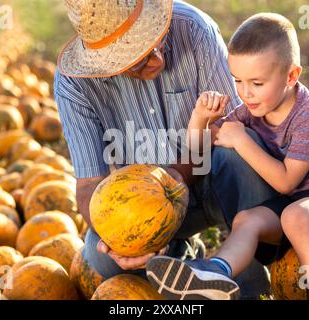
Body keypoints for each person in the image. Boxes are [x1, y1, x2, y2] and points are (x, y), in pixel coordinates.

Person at [55, 0, 277, 299]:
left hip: (213, 179)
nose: (156, 57)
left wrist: (177, 175)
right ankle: (182, 264)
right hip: (145, 209)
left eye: (156, 40)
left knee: (240, 154)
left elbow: (235, 127)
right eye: (135, 58)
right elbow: (89, 184)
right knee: (100, 259)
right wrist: (117, 240)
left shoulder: (195, 30)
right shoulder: (75, 85)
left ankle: (249, 277)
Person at [146, 12, 309, 300]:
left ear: (291, 76)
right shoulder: (252, 110)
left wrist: (240, 139)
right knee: (247, 220)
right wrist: (199, 119)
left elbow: (287, 182)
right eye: (238, 81)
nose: (245, 93)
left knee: (295, 216)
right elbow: (198, 151)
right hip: (294, 204)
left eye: (257, 83)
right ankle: (214, 272)